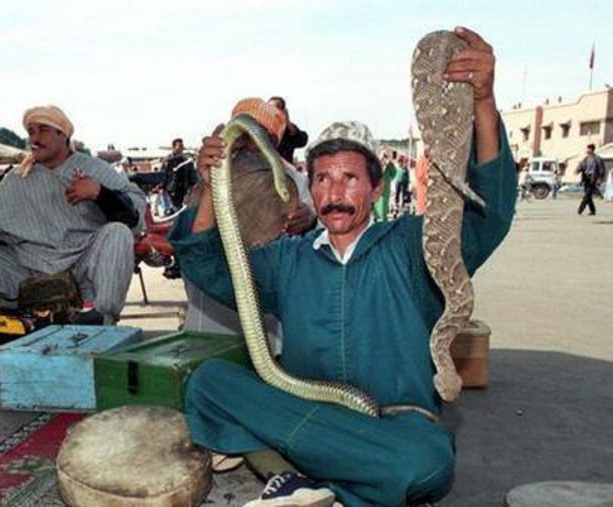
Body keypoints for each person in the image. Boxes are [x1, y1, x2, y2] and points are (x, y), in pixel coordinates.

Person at [171, 27, 516, 507]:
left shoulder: (413, 246)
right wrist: (212, 187)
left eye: (350, 178)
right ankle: (331, 482)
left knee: (426, 464)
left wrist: (483, 101)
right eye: (323, 180)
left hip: (390, 423)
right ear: (309, 189)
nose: (335, 193)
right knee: (209, 383)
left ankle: (300, 476)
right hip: (305, 407)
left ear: (375, 190)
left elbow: (488, 216)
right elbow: (209, 270)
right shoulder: (288, 259)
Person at [0, 105, 145, 324]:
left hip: (81, 267)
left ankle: (101, 318)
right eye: (31, 132)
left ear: (63, 134)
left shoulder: (94, 168)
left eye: (43, 130)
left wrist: (100, 193)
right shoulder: (18, 177)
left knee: (117, 233)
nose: (35, 138)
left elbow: (133, 219)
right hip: (28, 271)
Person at [182, 97, 316, 355]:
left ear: (271, 145)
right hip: (206, 326)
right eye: (240, 135)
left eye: (257, 137)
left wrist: (310, 219)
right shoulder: (209, 175)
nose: (246, 144)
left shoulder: (294, 183)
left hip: (265, 335)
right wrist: (206, 186)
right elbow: (191, 247)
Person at [160, 138, 197, 211]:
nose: (182, 148)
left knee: (182, 208)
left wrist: (193, 184)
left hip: (183, 188)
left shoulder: (187, 160)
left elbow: (191, 173)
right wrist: (161, 186)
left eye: (182, 146)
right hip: (171, 188)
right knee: (173, 208)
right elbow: (162, 174)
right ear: (174, 147)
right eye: (180, 146)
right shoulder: (167, 160)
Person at [268, 96, 309, 163]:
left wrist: (287, 121)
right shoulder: (261, 127)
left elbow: (301, 141)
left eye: (275, 108)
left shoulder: (288, 129)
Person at [576, 143, 606, 215]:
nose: (587, 150)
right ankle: (593, 211)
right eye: (587, 148)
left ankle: (580, 210)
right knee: (588, 196)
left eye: (589, 149)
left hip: (593, 179)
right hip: (586, 179)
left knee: (587, 195)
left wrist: (599, 179)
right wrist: (577, 170)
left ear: (592, 150)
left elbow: (601, 170)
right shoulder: (586, 159)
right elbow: (581, 166)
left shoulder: (597, 159)